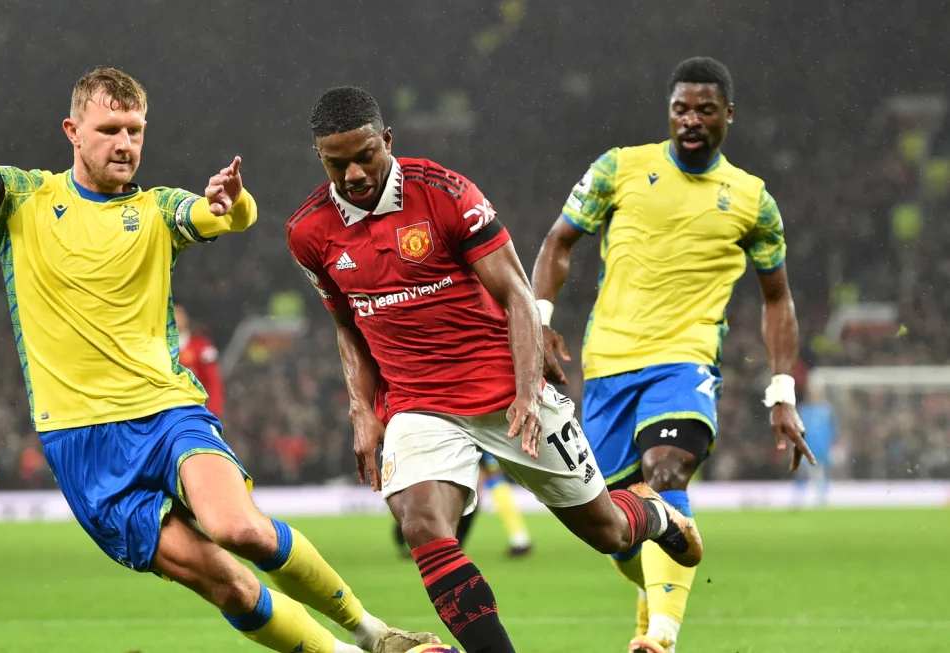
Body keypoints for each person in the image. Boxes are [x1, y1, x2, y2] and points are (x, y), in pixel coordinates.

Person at [0, 22, 436, 653]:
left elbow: (227, 217)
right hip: (80, 443)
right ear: (72, 133)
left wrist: (231, 202)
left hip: (168, 414)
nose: (125, 143)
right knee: (232, 588)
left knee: (237, 528)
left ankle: (376, 633)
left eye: (135, 130)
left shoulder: (158, 209)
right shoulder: (24, 198)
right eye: (109, 130)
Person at [287, 86, 702, 653]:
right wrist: (362, 409)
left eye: (365, 156)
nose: (355, 173)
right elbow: (347, 324)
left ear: (388, 140)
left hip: (505, 394)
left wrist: (528, 392)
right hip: (417, 403)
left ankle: (651, 515)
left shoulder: (446, 193)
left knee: (607, 530)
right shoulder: (309, 232)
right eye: (338, 164)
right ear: (320, 158)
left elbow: (518, 295)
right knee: (421, 527)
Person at [531, 57, 815, 653]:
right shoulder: (619, 168)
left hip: (684, 364)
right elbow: (559, 241)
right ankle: (651, 594)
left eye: (705, 110)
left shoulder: (752, 201)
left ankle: (661, 637)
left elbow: (777, 297)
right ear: (668, 112)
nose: (691, 120)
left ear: (727, 117)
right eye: (681, 109)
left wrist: (783, 392)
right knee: (615, 532)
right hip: (607, 366)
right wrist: (539, 324)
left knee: (666, 471)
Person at [390, 455, 533, 558]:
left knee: (484, 481)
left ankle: (443, 540)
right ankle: (519, 537)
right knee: (486, 481)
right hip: (470, 423)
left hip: (469, 423)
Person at [175, 304, 225, 416]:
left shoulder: (201, 347)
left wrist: (212, 412)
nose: (175, 318)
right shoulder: (157, 348)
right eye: (171, 314)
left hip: (194, 410)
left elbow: (214, 382)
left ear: (185, 317)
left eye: (178, 314)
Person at [794, 383, 836, 507]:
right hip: (807, 447)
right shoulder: (804, 410)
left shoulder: (827, 410)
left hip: (823, 448)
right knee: (802, 473)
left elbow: (833, 429)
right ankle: (798, 498)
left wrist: (833, 444)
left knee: (822, 474)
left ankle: (822, 498)